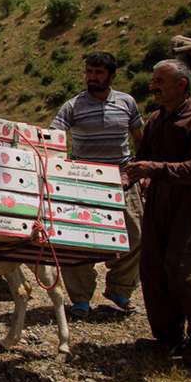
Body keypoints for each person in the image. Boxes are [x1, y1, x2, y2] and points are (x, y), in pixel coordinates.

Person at [125, 59, 191, 368]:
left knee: (189, 271)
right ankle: (167, 338)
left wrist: (154, 169)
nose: (153, 86)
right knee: (154, 268)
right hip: (160, 201)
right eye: (153, 80)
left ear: (181, 85)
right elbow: (142, 159)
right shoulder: (156, 120)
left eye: (160, 81)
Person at [50, 51, 144, 319]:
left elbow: (140, 138)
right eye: (89, 72)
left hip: (123, 181)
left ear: (111, 76)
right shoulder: (72, 106)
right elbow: (55, 136)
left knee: (137, 236)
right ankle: (80, 299)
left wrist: (140, 169)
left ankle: (120, 290)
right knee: (75, 240)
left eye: (99, 72)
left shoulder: (127, 102)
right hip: (84, 183)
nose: (92, 77)